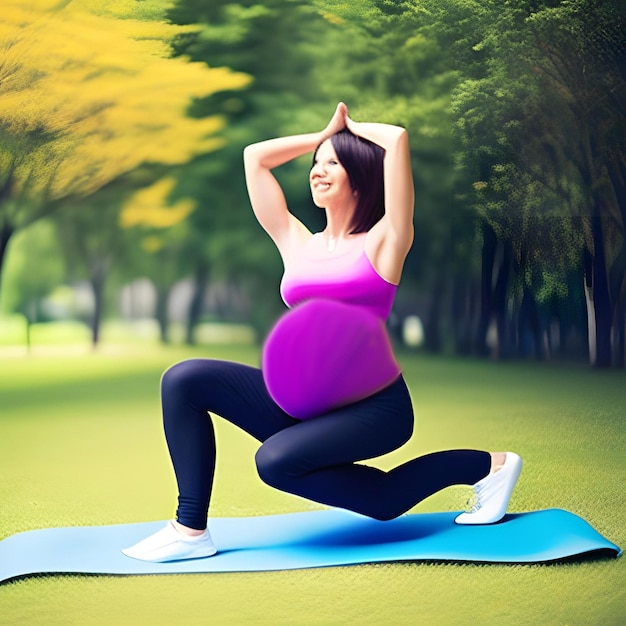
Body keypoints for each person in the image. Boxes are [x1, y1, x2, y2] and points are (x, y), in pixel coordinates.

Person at [122, 103, 522, 563]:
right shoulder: (297, 241)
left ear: (360, 175)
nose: (317, 170)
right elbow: (255, 157)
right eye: (315, 163)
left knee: (284, 466)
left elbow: (396, 141)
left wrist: (352, 130)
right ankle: (190, 530)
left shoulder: (384, 241)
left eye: (332, 162)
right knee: (184, 379)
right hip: (302, 402)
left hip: (374, 407)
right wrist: (322, 136)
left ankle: (490, 466)